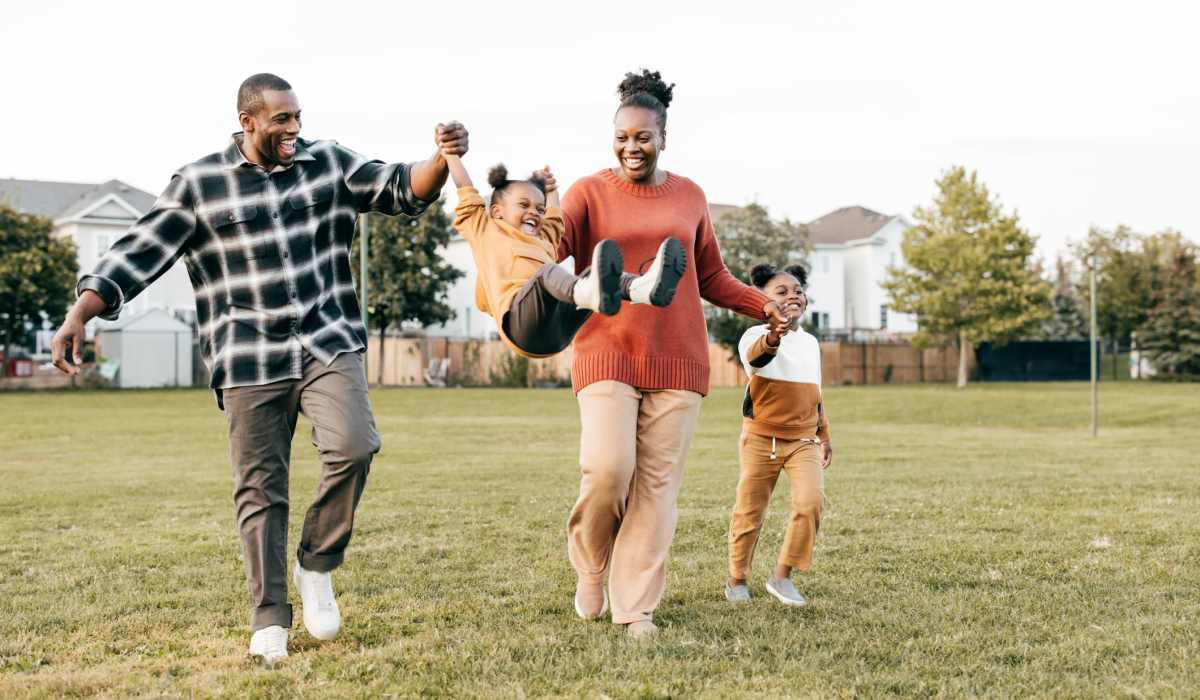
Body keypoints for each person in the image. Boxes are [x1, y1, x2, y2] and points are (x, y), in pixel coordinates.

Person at [49, 73, 467, 666]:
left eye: (298, 117)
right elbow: (138, 252)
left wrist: (441, 158)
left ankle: (316, 565)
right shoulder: (200, 185)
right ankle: (269, 618)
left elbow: (402, 188)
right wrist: (80, 313)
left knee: (354, 446)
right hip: (247, 354)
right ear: (248, 121)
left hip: (326, 340)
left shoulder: (327, 163)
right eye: (281, 120)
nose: (295, 129)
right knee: (260, 491)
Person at [558, 69, 791, 638]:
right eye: (622, 137)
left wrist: (765, 306)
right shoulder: (587, 192)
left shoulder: (689, 195)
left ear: (664, 138)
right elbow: (549, 248)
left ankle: (635, 606)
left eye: (643, 137)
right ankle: (591, 564)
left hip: (678, 360)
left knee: (656, 490)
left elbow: (711, 275)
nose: (631, 147)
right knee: (609, 470)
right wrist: (527, 212)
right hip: (606, 350)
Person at [442, 153, 687, 358]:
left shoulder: (544, 241)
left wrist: (551, 189)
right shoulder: (486, 231)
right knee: (549, 273)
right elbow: (466, 191)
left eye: (539, 209)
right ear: (496, 211)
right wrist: (451, 154)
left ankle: (642, 289)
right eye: (524, 205)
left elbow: (555, 217)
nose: (534, 213)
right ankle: (589, 292)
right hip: (520, 327)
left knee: (592, 273)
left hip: (558, 333)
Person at [725, 263, 833, 607]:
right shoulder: (753, 336)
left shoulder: (811, 342)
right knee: (749, 511)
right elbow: (759, 358)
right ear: (763, 299)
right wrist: (775, 333)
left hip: (803, 440)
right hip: (760, 440)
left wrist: (824, 432)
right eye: (781, 292)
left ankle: (782, 575)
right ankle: (737, 579)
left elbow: (814, 390)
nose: (792, 296)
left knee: (810, 502)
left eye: (797, 291)